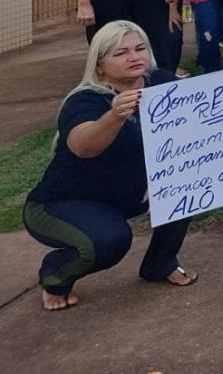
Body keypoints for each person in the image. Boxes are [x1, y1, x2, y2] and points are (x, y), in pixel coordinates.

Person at [24, 22, 196, 309]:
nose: (134, 57)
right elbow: (82, 146)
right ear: (100, 65)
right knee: (110, 240)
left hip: (124, 197)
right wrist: (115, 116)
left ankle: (160, 264)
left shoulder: (162, 83)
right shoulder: (85, 100)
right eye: (121, 53)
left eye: (140, 49)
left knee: (190, 187)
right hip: (60, 204)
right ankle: (55, 275)